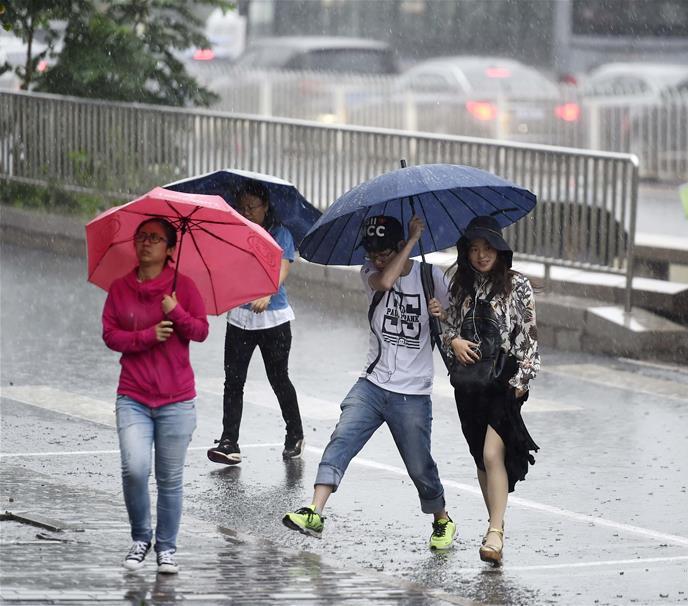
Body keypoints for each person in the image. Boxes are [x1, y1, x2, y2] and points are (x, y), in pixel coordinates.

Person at [282, 215, 457, 550]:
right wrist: (411, 241)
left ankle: (442, 520)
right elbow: (386, 282)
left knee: (419, 466)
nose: (376, 259)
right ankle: (315, 512)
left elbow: (459, 316)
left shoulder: (430, 277)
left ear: (397, 247)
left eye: (383, 253)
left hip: (412, 393)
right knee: (342, 438)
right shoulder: (369, 273)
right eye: (372, 253)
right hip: (372, 384)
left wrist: (442, 312)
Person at [102, 218, 209, 574]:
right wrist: (147, 335)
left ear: (170, 249)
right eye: (141, 236)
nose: (146, 243)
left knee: (169, 479)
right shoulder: (120, 289)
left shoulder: (184, 287)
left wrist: (175, 311)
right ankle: (140, 538)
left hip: (177, 401)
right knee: (134, 469)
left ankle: (166, 548)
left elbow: (201, 331)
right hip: (133, 396)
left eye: (155, 238)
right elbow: (110, 335)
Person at [435, 216, 540, 566]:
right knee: (481, 457)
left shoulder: (518, 285)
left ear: (500, 250)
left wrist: (521, 382)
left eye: (487, 248)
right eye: (474, 249)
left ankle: (494, 531)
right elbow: (451, 333)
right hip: (469, 384)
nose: (481, 256)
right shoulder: (461, 287)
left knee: (494, 453)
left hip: (505, 380)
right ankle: (496, 524)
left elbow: (529, 337)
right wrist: (451, 336)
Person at [207, 182, 305, 465]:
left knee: (278, 378)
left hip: (274, 318)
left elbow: (283, 266)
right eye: (242, 207)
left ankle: (295, 434)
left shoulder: (280, 233)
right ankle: (229, 442)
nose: (247, 212)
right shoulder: (235, 232)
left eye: (252, 207)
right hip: (240, 317)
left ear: (266, 206)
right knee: (233, 381)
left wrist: (268, 291)